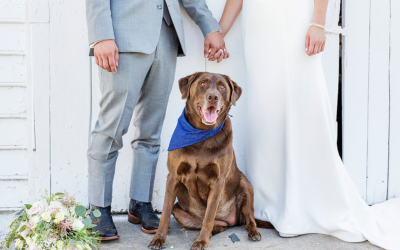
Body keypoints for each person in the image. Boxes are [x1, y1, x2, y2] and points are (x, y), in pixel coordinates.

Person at [217, 0, 400, 249]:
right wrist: (220, 31)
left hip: (295, 20)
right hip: (258, 26)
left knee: (301, 105)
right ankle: (265, 205)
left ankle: (301, 204)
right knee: (265, 112)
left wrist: (318, 22)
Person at [85, 0, 228, 240]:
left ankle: (140, 203)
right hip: (122, 36)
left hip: (166, 38)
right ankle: (98, 209)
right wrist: (101, 35)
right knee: (111, 128)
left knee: (151, 130)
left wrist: (210, 27)